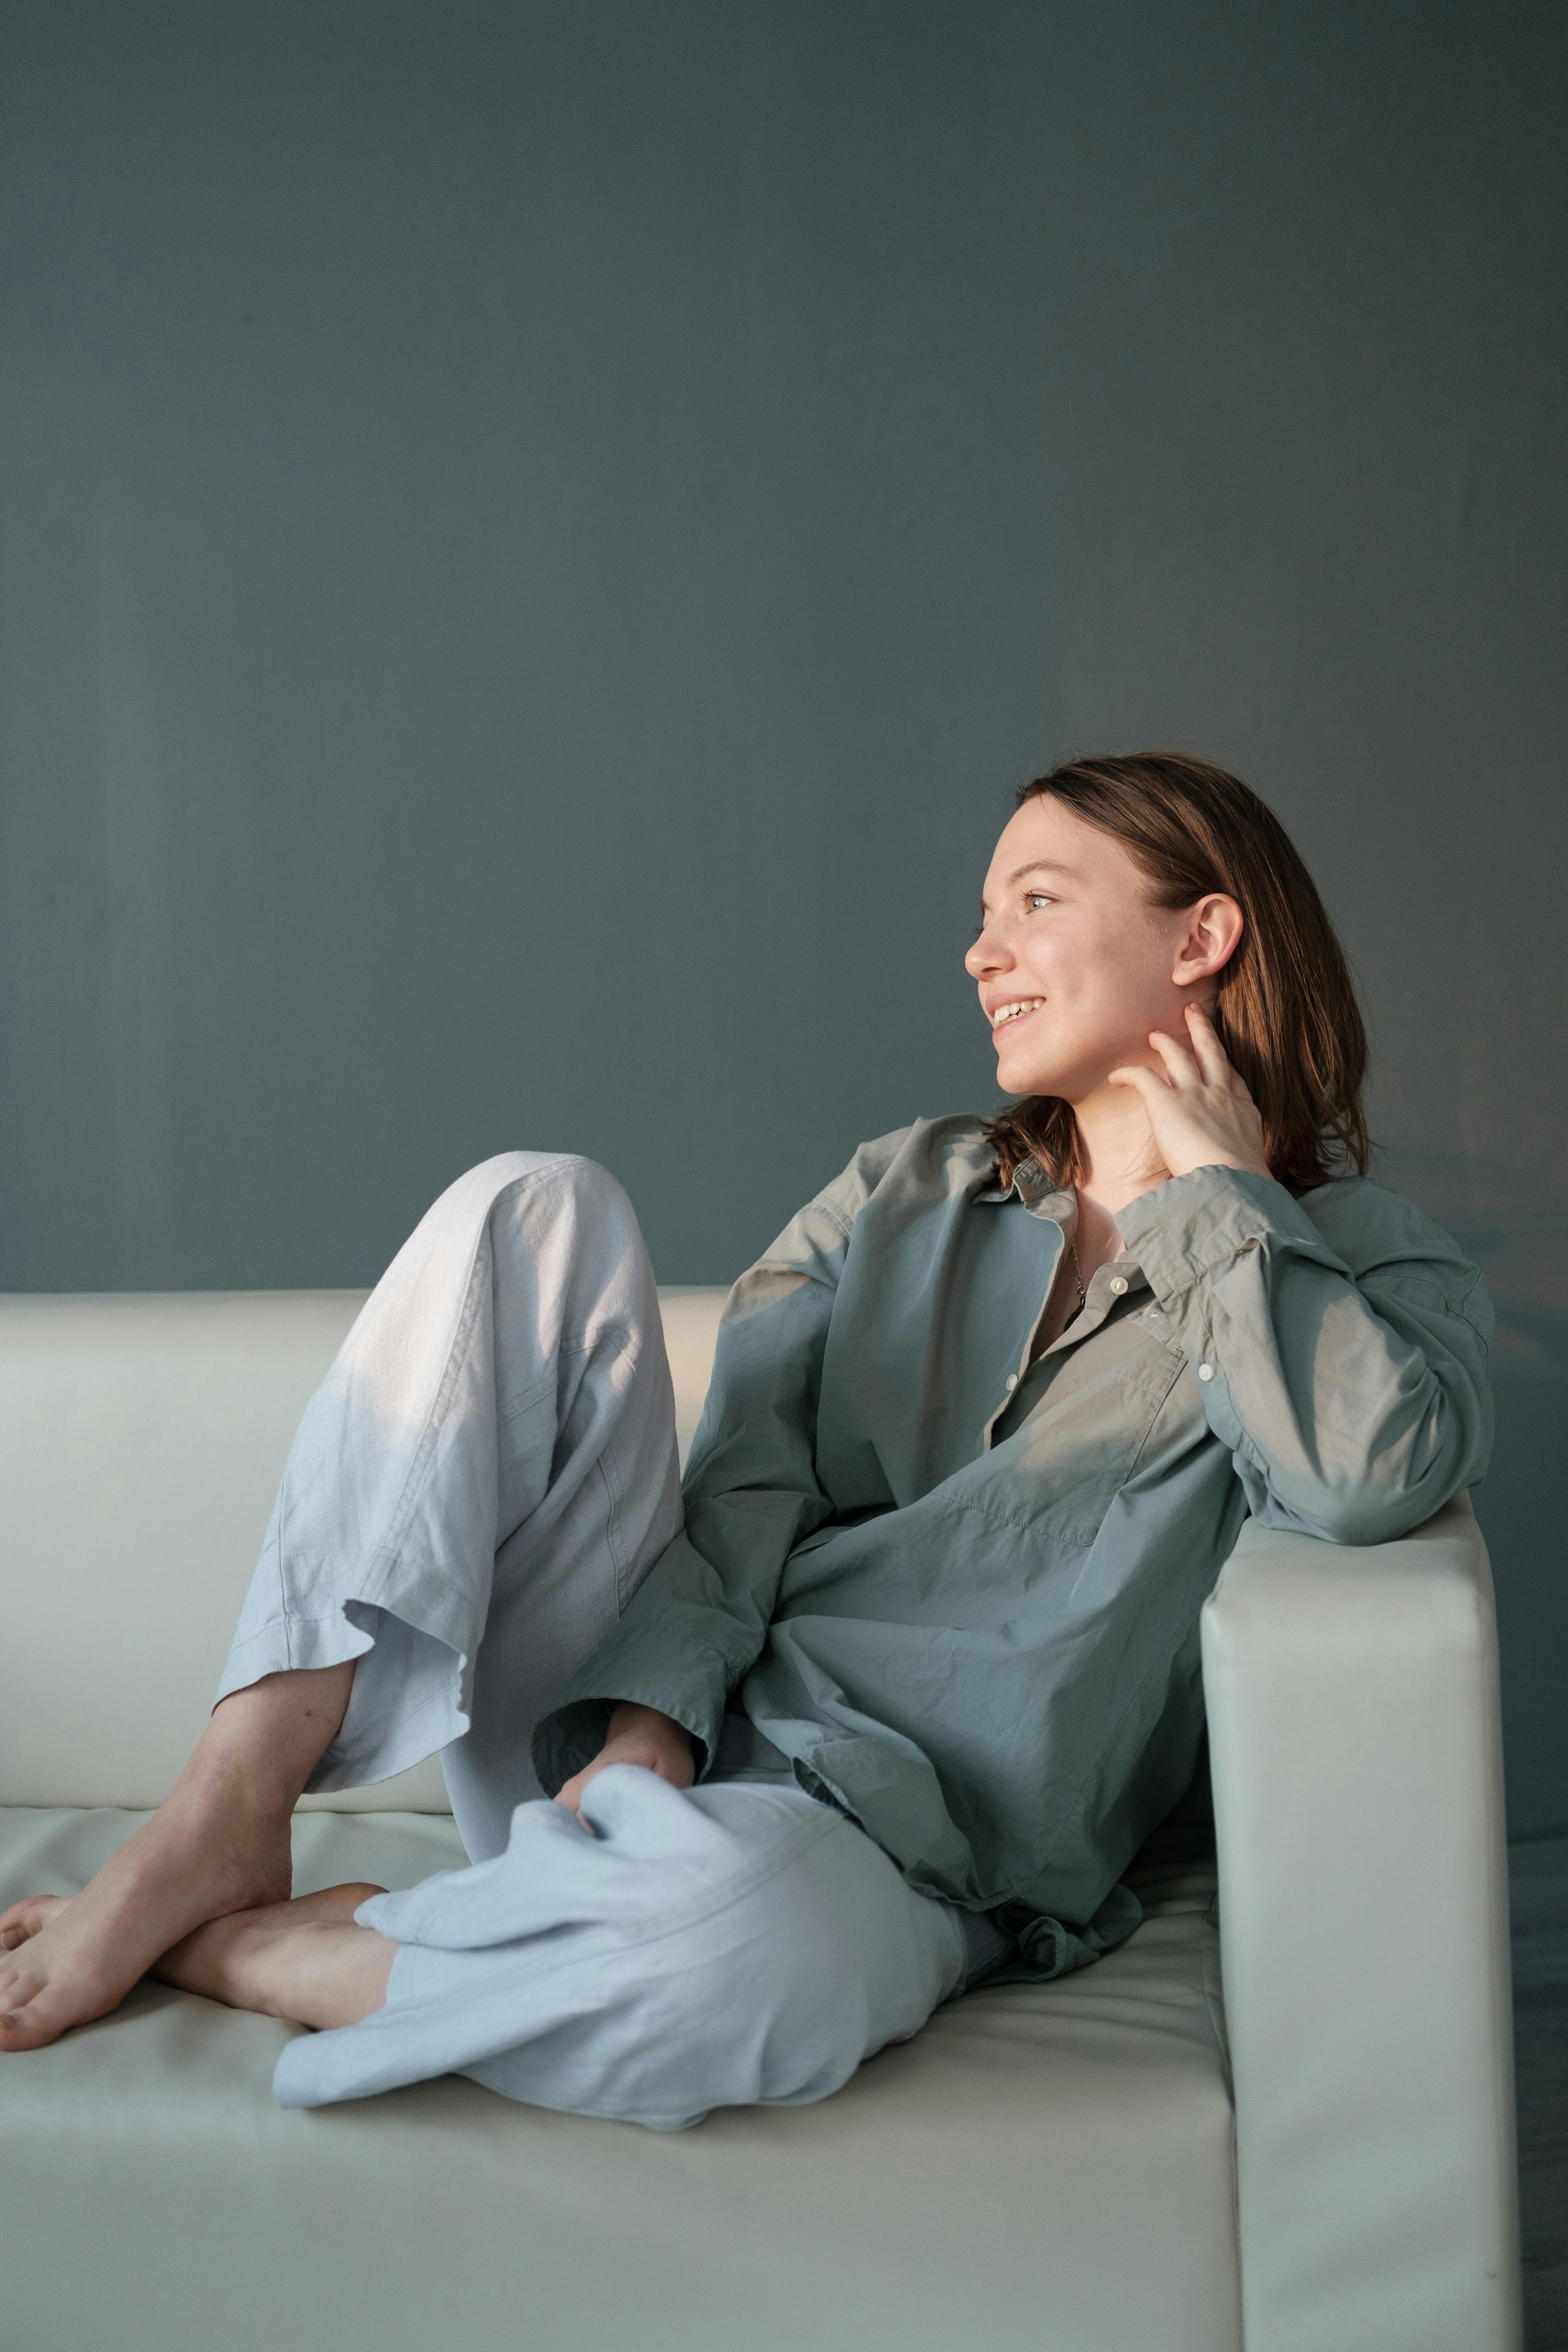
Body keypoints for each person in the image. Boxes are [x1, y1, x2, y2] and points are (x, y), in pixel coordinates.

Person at [0, 752, 1493, 2129]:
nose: (981, 952)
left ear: (1200, 938)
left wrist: (1215, 1197)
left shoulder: (1355, 1262)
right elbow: (745, 1478)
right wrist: (643, 1719)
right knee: (537, 1202)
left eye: (1034, 905)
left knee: (726, 1963)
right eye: (981, 915)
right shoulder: (907, 1186)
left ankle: (259, 1949)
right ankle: (227, 1812)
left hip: (901, 1843)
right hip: (628, 1733)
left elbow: (1364, 1476)